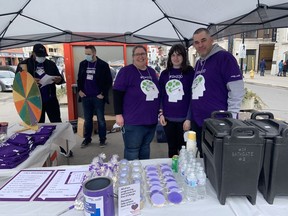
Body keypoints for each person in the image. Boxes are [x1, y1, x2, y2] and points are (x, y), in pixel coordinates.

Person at [188, 28, 244, 157]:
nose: (200, 45)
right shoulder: (198, 63)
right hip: (199, 122)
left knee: (215, 159)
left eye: (203, 40)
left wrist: (231, 118)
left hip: (218, 123)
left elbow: (237, 90)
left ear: (211, 40)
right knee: (203, 157)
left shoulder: (224, 58)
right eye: (196, 42)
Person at [16, 44, 71, 156]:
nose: (42, 57)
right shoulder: (24, 65)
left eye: (43, 55)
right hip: (33, 102)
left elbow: (60, 79)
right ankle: (36, 151)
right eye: (39, 55)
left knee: (57, 124)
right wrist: (30, 81)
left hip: (50, 99)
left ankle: (64, 148)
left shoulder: (50, 64)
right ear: (33, 54)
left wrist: (58, 79)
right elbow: (18, 83)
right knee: (36, 126)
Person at [113, 45, 160, 160]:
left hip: (151, 120)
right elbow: (117, 93)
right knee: (132, 151)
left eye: (143, 54)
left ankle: (142, 175)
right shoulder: (126, 71)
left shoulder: (152, 72)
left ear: (146, 56)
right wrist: (118, 114)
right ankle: (131, 177)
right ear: (133, 57)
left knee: (145, 149)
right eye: (137, 54)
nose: (140, 57)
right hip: (133, 121)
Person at [158, 44, 194, 158]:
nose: (176, 58)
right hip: (168, 119)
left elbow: (194, 97)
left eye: (179, 55)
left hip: (184, 120)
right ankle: (173, 173)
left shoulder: (190, 72)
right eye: (173, 55)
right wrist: (161, 113)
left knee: (184, 150)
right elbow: (161, 95)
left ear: (184, 56)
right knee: (172, 148)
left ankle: (184, 173)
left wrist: (189, 118)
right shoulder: (164, 74)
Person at [77, 45, 112, 148]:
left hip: (98, 97)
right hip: (86, 97)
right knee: (88, 120)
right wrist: (79, 90)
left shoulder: (103, 65)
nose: (87, 56)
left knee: (101, 119)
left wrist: (103, 93)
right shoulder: (83, 64)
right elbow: (79, 79)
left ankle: (102, 140)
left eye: (88, 54)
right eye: (85, 54)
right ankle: (87, 139)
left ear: (94, 53)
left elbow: (108, 81)